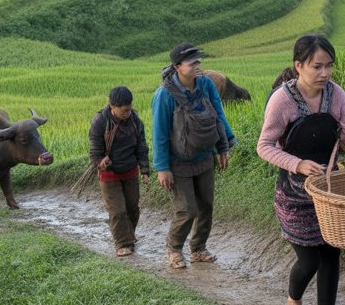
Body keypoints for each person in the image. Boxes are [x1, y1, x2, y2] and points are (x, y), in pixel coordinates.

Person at [257, 34, 345, 305]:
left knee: (330, 254)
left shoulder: (336, 95)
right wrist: (298, 164)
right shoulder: (282, 100)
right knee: (309, 259)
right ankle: (294, 300)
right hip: (294, 195)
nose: (324, 73)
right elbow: (264, 146)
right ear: (298, 65)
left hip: (328, 193)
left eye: (329, 66)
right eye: (317, 66)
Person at [151, 42, 235, 270]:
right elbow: (159, 132)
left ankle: (198, 248)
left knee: (206, 205)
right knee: (187, 209)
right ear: (178, 66)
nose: (198, 65)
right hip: (178, 162)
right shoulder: (165, 95)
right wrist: (162, 167)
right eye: (192, 62)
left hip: (205, 156)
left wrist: (224, 146)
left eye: (199, 61)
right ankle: (174, 249)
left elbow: (218, 115)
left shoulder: (206, 85)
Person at [88, 86, 150, 258]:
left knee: (132, 208)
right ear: (112, 106)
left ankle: (129, 235)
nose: (127, 113)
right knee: (117, 211)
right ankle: (123, 243)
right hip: (109, 174)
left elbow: (141, 147)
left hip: (130, 170)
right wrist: (101, 161)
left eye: (129, 109)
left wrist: (145, 170)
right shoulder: (100, 122)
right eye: (123, 110)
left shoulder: (136, 121)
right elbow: (94, 151)